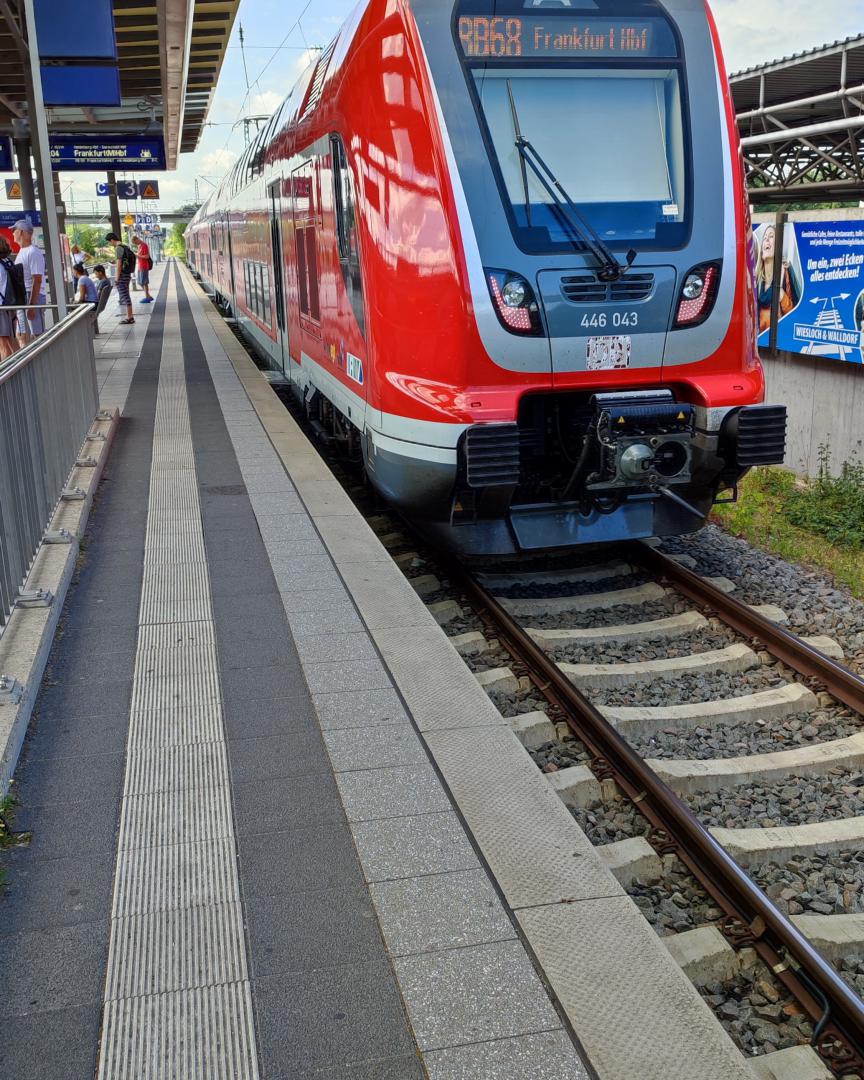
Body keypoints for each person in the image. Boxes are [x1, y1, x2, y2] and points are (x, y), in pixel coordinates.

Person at [755, 224, 802, 335]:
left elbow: (794, 317)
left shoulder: (785, 273)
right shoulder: (755, 281)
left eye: (771, 236)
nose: (766, 239)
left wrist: (780, 293)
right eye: (765, 237)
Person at [13, 218, 46, 343]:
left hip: (32, 296)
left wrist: (32, 306)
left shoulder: (33, 252)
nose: (12, 234)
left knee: (37, 336)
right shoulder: (22, 251)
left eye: (14, 231)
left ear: (21, 232)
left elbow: (37, 280)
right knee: (22, 334)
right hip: (23, 296)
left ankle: (43, 361)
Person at [105, 232, 134, 324]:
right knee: (126, 294)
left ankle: (130, 317)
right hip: (127, 274)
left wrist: (117, 278)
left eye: (109, 242)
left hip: (122, 275)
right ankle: (130, 316)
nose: (110, 244)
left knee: (125, 296)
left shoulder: (118, 248)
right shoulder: (125, 246)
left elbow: (119, 264)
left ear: (112, 240)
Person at [0, 235, 20, 360]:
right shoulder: (7, 261)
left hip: (1, 307)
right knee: (11, 340)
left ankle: (7, 375)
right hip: (9, 306)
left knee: (3, 343)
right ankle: (19, 369)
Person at [132, 235, 153, 303]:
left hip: (144, 266)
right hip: (140, 266)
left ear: (137, 239)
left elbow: (147, 256)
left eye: (135, 242)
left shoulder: (144, 245)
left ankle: (147, 297)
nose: (135, 244)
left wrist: (137, 255)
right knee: (140, 282)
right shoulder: (139, 246)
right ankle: (148, 296)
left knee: (144, 282)